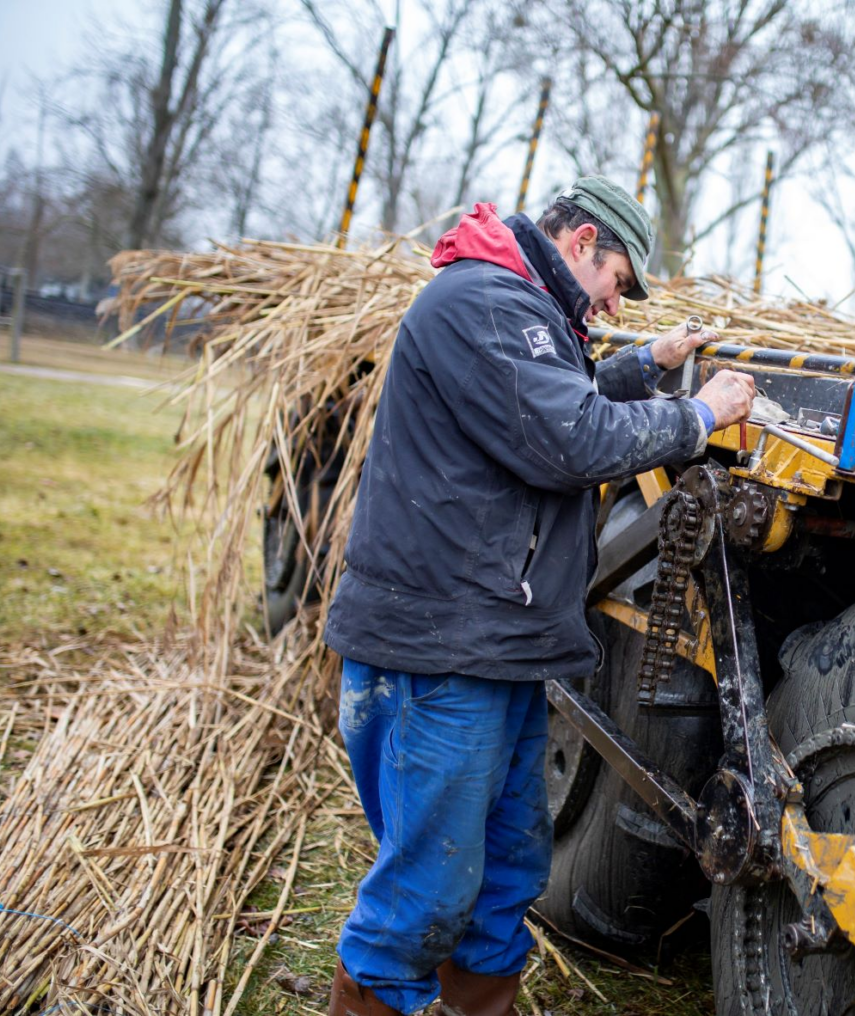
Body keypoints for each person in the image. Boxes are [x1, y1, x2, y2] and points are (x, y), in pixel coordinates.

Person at [322, 176, 755, 1016]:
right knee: (427, 887)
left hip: (494, 643)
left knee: (510, 862)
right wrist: (698, 415)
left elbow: (559, 393)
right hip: (442, 644)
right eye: (617, 280)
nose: (613, 302)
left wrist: (645, 364)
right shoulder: (484, 301)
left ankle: (479, 1003)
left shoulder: (517, 306)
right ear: (582, 241)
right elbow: (573, 436)